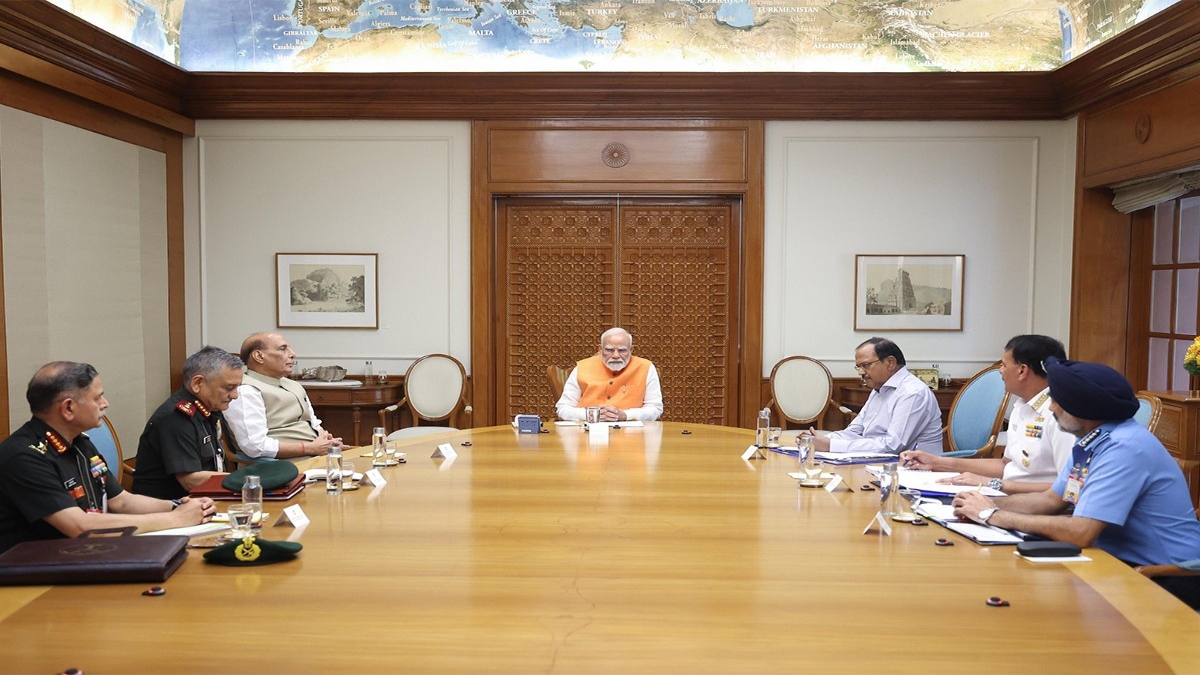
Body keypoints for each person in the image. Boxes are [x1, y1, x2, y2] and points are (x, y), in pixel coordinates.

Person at [952, 357, 1200, 609]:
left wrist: (991, 515)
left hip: (1167, 578)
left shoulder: (1124, 448)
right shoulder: (1091, 440)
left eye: (1057, 401)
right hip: (1115, 563)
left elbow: (1081, 532)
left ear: (1082, 407)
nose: (1051, 409)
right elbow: (1049, 501)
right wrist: (985, 504)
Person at [0, 362, 216, 553]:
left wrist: (178, 505)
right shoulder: (24, 456)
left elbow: (121, 501)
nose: (105, 403)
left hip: (81, 553)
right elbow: (80, 527)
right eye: (97, 397)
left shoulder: (79, 442)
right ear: (68, 407)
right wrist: (175, 519)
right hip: (31, 570)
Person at [900, 335, 1074, 493]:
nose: (1000, 371)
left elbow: (1067, 488)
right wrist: (936, 462)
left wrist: (991, 483)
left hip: (1037, 508)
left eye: (1004, 365)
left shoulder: (1062, 414)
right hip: (1006, 494)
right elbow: (1006, 465)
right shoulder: (1022, 406)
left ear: (1022, 371)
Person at [131, 346, 244, 500]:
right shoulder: (175, 418)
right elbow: (191, 481)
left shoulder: (209, 408)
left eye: (238, 387)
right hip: (167, 509)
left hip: (205, 499)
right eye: (229, 388)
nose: (235, 395)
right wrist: (247, 480)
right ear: (197, 383)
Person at [803, 337, 943, 454]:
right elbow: (855, 431)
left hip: (913, 472)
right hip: (880, 463)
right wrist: (818, 439)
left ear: (890, 363)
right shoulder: (879, 389)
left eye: (866, 365)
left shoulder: (913, 393)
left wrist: (830, 445)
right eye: (858, 367)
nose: (861, 372)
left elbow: (892, 446)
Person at [224, 332, 341, 461]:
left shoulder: (293, 385)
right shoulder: (246, 390)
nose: (292, 354)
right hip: (281, 467)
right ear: (259, 356)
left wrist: (327, 441)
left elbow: (313, 423)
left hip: (317, 458)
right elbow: (255, 446)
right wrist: (309, 448)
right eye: (283, 349)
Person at [555, 327, 663, 422]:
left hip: (632, 436)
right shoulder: (582, 367)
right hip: (587, 433)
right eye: (609, 350)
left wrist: (626, 415)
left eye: (622, 350)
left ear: (631, 349)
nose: (616, 355)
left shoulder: (646, 367)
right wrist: (590, 414)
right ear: (600, 349)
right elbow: (563, 408)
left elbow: (655, 408)